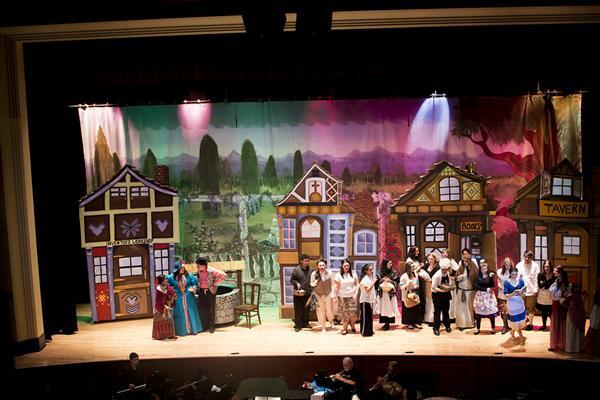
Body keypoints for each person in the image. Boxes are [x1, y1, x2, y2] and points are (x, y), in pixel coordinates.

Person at [167, 261, 203, 336]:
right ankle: (181, 331)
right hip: (178, 296)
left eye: (183, 267)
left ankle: (193, 329)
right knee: (180, 312)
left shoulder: (189, 275)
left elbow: (195, 284)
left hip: (188, 296)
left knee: (191, 312)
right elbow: (167, 285)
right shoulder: (171, 277)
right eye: (181, 268)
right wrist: (173, 291)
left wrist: (192, 289)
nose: (183, 269)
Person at [195, 256, 226, 334]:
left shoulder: (211, 270)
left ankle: (211, 326)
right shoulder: (199, 271)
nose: (198, 267)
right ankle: (204, 325)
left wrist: (214, 283)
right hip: (202, 291)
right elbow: (199, 279)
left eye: (199, 265)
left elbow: (223, 275)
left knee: (211, 309)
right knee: (202, 309)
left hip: (210, 291)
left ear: (203, 265)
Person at [399, 260, 427, 330]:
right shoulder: (404, 276)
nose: (413, 268)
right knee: (409, 309)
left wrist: (416, 286)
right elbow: (401, 287)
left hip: (415, 293)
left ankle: (417, 322)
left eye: (413, 266)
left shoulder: (415, 274)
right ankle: (410, 323)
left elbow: (417, 283)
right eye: (412, 267)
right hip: (407, 294)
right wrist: (407, 285)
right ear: (408, 268)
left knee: (416, 308)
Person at [516, 250, 540, 331]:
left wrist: (536, 289)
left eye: (529, 257)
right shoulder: (519, 265)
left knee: (531, 308)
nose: (527, 259)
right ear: (523, 256)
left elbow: (537, 278)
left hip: (531, 290)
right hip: (521, 290)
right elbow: (516, 278)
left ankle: (530, 324)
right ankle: (522, 323)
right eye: (525, 256)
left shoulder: (535, 266)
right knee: (521, 308)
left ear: (531, 258)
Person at [455, 248, 478, 331]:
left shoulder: (474, 268)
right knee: (461, 309)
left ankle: (470, 323)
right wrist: (459, 277)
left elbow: (475, 279)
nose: (465, 263)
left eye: (466, 261)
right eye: (463, 261)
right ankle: (462, 324)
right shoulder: (461, 268)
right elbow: (455, 277)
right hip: (461, 291)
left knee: (469, 308)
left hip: (470, 291)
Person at [473, 259, 498, 335]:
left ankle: (493, 328)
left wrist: (491, 278)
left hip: (488, 296)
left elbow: (492, 285)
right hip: (480, 296)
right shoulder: (478, 277)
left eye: (485, 269)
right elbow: (476, 286)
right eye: (483, 269)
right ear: (480, 270)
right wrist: (485, 289)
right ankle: (478, 328)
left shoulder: (490, 276)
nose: (484, 270)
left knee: (491, 313)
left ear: (487, 269)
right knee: (478, 314)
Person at [334, 259, 359, 335]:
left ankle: (352, 325)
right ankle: (345, 329)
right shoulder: (338, 275)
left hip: (352, 296)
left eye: (348, 265)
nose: (346, 267)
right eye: (345, 266)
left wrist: (355, 294)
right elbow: (336, 287)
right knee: (344, 314)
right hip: (342, 297)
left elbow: (357, 284)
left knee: (353, 314)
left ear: (349, 265)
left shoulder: (353, 273)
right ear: (342, 266)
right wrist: (335, 297)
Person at [431, 258, 455, 336]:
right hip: (437, 295)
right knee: (437, 312)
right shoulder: (437, 275)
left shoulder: (447, 274)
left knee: (446, 311)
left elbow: (450, 283)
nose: (448, 270)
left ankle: (447, 326)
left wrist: (449, 287)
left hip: (445, 294)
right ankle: (436, 328)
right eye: (448, 268)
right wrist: (442, 290)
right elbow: (433, 287)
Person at [311, 258, 335, 333]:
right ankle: (323, 326)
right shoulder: (314, 274)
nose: (321, 267)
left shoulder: (330, 273)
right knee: (320, 310)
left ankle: (331, 322)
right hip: (318, 294)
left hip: (328, 293)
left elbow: (333, 284)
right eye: (320, 265)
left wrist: (333, 294)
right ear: (317, 266)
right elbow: (311, 284)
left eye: (323, 265)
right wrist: (315, 282)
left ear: (325, 265)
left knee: (329, 309)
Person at [375, 259, 400, 331]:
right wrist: (383, 280)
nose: (391, 265)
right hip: (383, 294)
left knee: (390, 308)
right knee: (383, 308)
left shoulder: (393, 272)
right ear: (385, 264)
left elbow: (396, 282)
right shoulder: (380, 272)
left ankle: (387, 324)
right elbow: (377, 282)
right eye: (389, 263)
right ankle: (385, 323)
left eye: (391, 263)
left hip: (390, 294)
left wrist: (390, 281)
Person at [504, 266, 527, 344]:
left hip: (519, 303)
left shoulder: (520, 281)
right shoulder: (507, 282)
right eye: (513, 274)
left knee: (519, 321)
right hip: (512, 304)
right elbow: (506, 295)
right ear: (510, 274)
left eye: (516, 274)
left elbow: (524, 294)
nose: (514, 276)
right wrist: (513, 293)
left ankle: (512, 332)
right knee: (516, 321)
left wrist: (521, 293)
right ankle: (521, 338)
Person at [548, 265, 568, 352]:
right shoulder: (556, 281)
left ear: (560, 273)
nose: (554, 272)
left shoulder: (562, 284)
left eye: (555, 271)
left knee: (559, 325)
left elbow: (560, 295)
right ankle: (555, 344)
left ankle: (560, 344)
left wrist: (557, 298)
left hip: (560, 306)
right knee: (555, 325)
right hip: (555, 305)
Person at [291, 254, 313, 332]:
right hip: (298, 293)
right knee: (298, 310)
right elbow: (292, 280)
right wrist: (296, 283)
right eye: (305, 261)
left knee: (307, 309)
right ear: (301, 261)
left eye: (308, 261)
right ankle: (298, 325)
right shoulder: (296, 270)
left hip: (308, 292)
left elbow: (314, 279)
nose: (307, 262)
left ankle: (305, 323)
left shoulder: (311, 270)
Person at [563, 283, 586, 353]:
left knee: (572, 331)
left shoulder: (570, 295)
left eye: (569, 287)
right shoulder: (580, 295)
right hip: (580, 313)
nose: (568, 288)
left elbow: (564, 303)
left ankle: (572, 348)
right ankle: (579, 347)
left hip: (572, 315)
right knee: (578, 331)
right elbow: (583, 301)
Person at [152, 275, 176, 340]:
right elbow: (159, 300)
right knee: (161, 320)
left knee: (168, 320)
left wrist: (173, 295)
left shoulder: (166, 285)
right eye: (165, 279)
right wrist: (165, 306)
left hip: (166, 304)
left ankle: (170, 335)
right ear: (162, 281)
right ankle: (159, 335)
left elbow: (171, 291)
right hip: (160, 306)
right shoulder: (158, 289)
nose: (166, 280)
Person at [536, 260, 555, 331]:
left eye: (548, 267)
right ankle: (544, 326)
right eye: (545, 267)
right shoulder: (540, 274)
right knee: (543, 311)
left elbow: (553, 285)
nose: (546, 268)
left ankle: (554, 326)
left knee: (551, 312)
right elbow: (540, 286)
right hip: (542, 296)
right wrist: (548, 281)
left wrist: (545, 284)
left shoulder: (553, 275)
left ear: (551, 267)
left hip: (550, 296)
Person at [441, 248, 459, 321]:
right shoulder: (441, 261)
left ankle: (451, 316)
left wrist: (452, 274)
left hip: (450, 280)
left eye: (446, 253)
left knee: (451, 298)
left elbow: (457, 269)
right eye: (443, 253)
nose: (445, 254)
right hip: (443, 280)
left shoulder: (452, 261)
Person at [496, 257, 513, 334]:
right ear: (504, 265)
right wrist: (502, 288)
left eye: (509, 265)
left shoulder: (512, 271)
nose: (507, 267)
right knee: (503, 311)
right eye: (506, 265)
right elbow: (498, 282)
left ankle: (509, 326)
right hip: (502, 293)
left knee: (509, 311)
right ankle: (505, 327)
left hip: (510, 294)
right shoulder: (499, 271)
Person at [422, 252, 439, 325]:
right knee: (428, 302)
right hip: (427, 286)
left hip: (434, 286)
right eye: (429, 259)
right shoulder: (427, 265)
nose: (430, 260)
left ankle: (433, 320)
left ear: (435, 259)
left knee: (433, 303)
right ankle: (427, 319)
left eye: (431, 259)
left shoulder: (437, 266)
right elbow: (421, 271)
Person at [359, 264, 377, 337]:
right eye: (370, 270)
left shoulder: (370, 277)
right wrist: (373, 282)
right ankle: (364, 331)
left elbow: (372, 290)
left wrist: (374, 298)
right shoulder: (364, 280)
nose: (372, 271)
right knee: (365, 316)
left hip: (369, 300)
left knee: (369, 316)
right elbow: (368, 290)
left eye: (372, 269)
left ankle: (369, 330)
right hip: (364, 300)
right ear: (366, 271)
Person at [585, 279, 600, 357]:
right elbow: (593, 303)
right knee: (593, 327)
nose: (598, 283)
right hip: (596, 310)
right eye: (598, 282)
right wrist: (591, 312)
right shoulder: (596, 291)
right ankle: (591, 349)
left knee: (596, 328)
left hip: (597, 310)